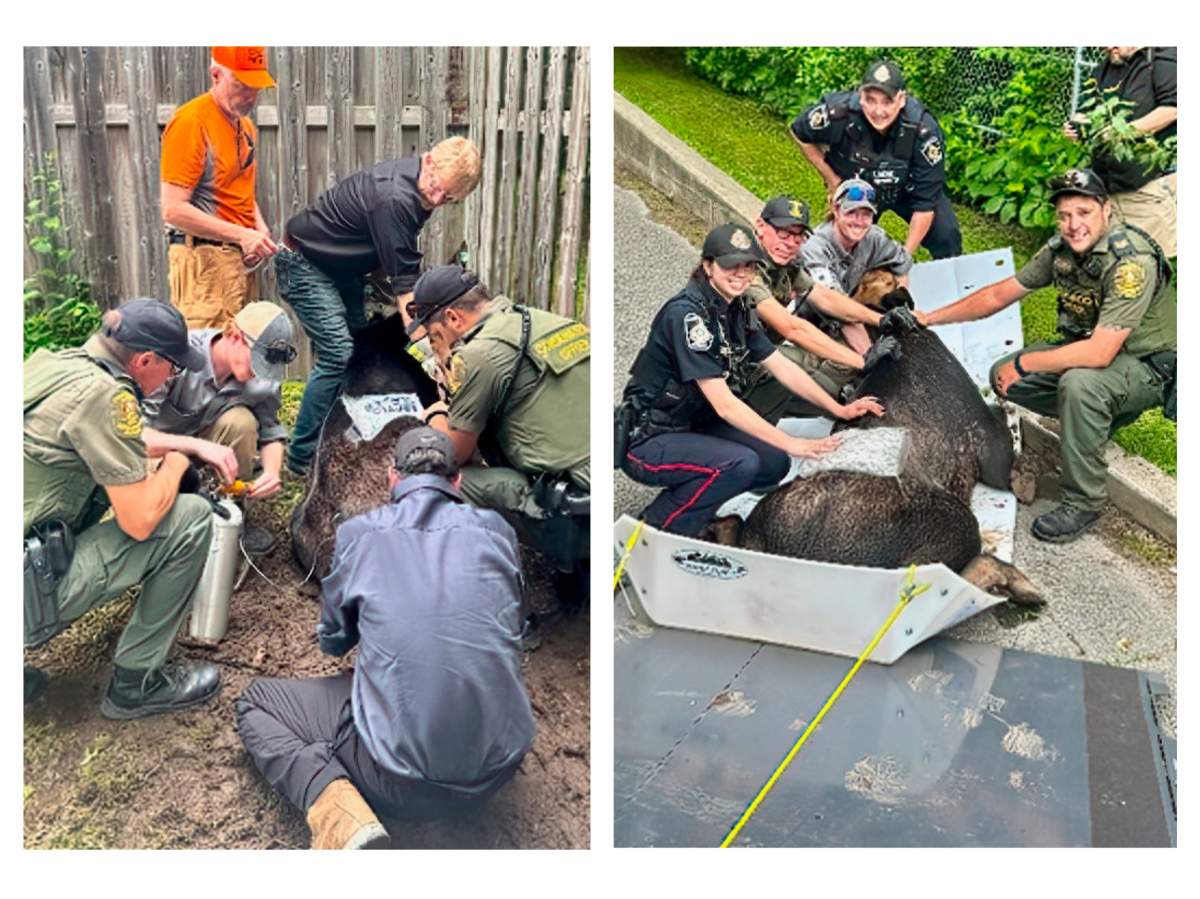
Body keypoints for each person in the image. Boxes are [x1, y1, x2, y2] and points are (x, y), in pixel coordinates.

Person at [235, 426, 534, 850]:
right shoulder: (498, 532)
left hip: (402, 786)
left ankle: (341, 817)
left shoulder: (360, 534)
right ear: (457, 481)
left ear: (392, 476)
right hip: (499, 769)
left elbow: (334, 641)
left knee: (257, 703)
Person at [918, 168, 1175, 543]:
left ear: (1106, 210)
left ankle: (1083, 502)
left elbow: (1100, 352)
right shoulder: (1061, 249)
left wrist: (1023, 362)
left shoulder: (1130, 263)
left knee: (1079, 384)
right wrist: (930, 318)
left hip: (1147, 363)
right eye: (1065, 215)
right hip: (1098, 350)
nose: (1073, 225)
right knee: (1004, 376)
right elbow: (999, 295)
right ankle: (1094, 421)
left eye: (1084, 213)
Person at [616, 223, 885, 537]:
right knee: (738, 463)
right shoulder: (688, 317)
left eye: (749, 266)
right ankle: (648, 533)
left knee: (773, 463)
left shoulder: (737, 308)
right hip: (648, 437)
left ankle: (695, 504)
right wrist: (794, 442)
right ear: (707, 266)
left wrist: (839, 410)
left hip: (693, 424)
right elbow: (726, 405)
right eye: (731, 265)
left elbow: (781, 367)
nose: (741, 274)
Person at [23, 298, 220, 717]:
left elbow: (113, 436)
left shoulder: (57, 366)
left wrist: (190, 442)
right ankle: (137, 683)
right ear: (145, 360)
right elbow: (140, 521)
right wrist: (179, 463)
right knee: (190, 519)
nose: (173, 377)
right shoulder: (106, 398)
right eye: (174, 367)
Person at [276, 137, 482, 476]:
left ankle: (338, 432)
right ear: (428, 160)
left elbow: (392, 258)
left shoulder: (417, 188)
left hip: (340, 268)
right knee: (339, 353)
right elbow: (406, 296)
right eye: (436, 188)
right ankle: (302, 456)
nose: (436, 199)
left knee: (359, 350)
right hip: (304, 263)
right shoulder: (395, 197)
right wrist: (428, 350)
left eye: (448, 198)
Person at [408, 265, 590, 576]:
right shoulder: (545, 321)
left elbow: (454, 453)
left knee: (439, 481)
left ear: (453, 318)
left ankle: (474, 577)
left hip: (576, 500)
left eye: (435, 337)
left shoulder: (478, 355)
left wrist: (435, 410)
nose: (436, 347)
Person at [740, 194, 914, 422]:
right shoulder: (742, 268)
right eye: (783, 233)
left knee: (831, 373)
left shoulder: (783, 263)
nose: (790, 243)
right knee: (809, 384)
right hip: (727, 366)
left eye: (798, 236)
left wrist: (879, 319)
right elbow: (791, 328)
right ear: (760, 226)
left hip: (756, 349)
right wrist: (863, 360)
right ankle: (747, 425)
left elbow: (824, 297)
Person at [142, 301, 297, 552]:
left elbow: (271, 431)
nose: (261, 374)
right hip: (156, 450)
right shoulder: (177, 356)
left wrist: (271, 471)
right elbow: (133, 437)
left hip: (206, 443)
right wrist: (197, 446)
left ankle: (231, 517)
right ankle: (167, 532)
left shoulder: (262, 380)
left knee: (242, 423)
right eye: (257, 362)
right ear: (236, 336)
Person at [791, 59, 962, 259]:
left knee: (946, 235)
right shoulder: (837, 112)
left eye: (887, 101)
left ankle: (951, 284)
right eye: (870, 99)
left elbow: (925, 206)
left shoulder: (924, 131)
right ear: (860, 95)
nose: (878, 111)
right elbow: (799, 132)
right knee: (843, 249)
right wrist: (832, 180)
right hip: (859, 188)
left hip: (908, 189)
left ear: (901, 99)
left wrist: (904, 257)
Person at [160, 47, 278, 329]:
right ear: (216, 75)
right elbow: (173, 210)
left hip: (238, 262)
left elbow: (240, 189)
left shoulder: (245, 126)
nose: (250, 95)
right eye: (241, 85)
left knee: (243, 357)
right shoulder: (191, 122)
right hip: (203, 264)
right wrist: (242, 234)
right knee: (208, 361)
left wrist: (258, 229)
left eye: (256, 86)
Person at [1064, 46, 1177, 257]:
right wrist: (1077, 126)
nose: (1107, 46)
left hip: (1146, 187)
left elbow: (1172, 110)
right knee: (1102, 261)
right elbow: (1085, 110)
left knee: (1147, 263)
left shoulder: (1163, 60)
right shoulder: (1105, 67)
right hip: (1105, 185)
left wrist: (1119, 133)